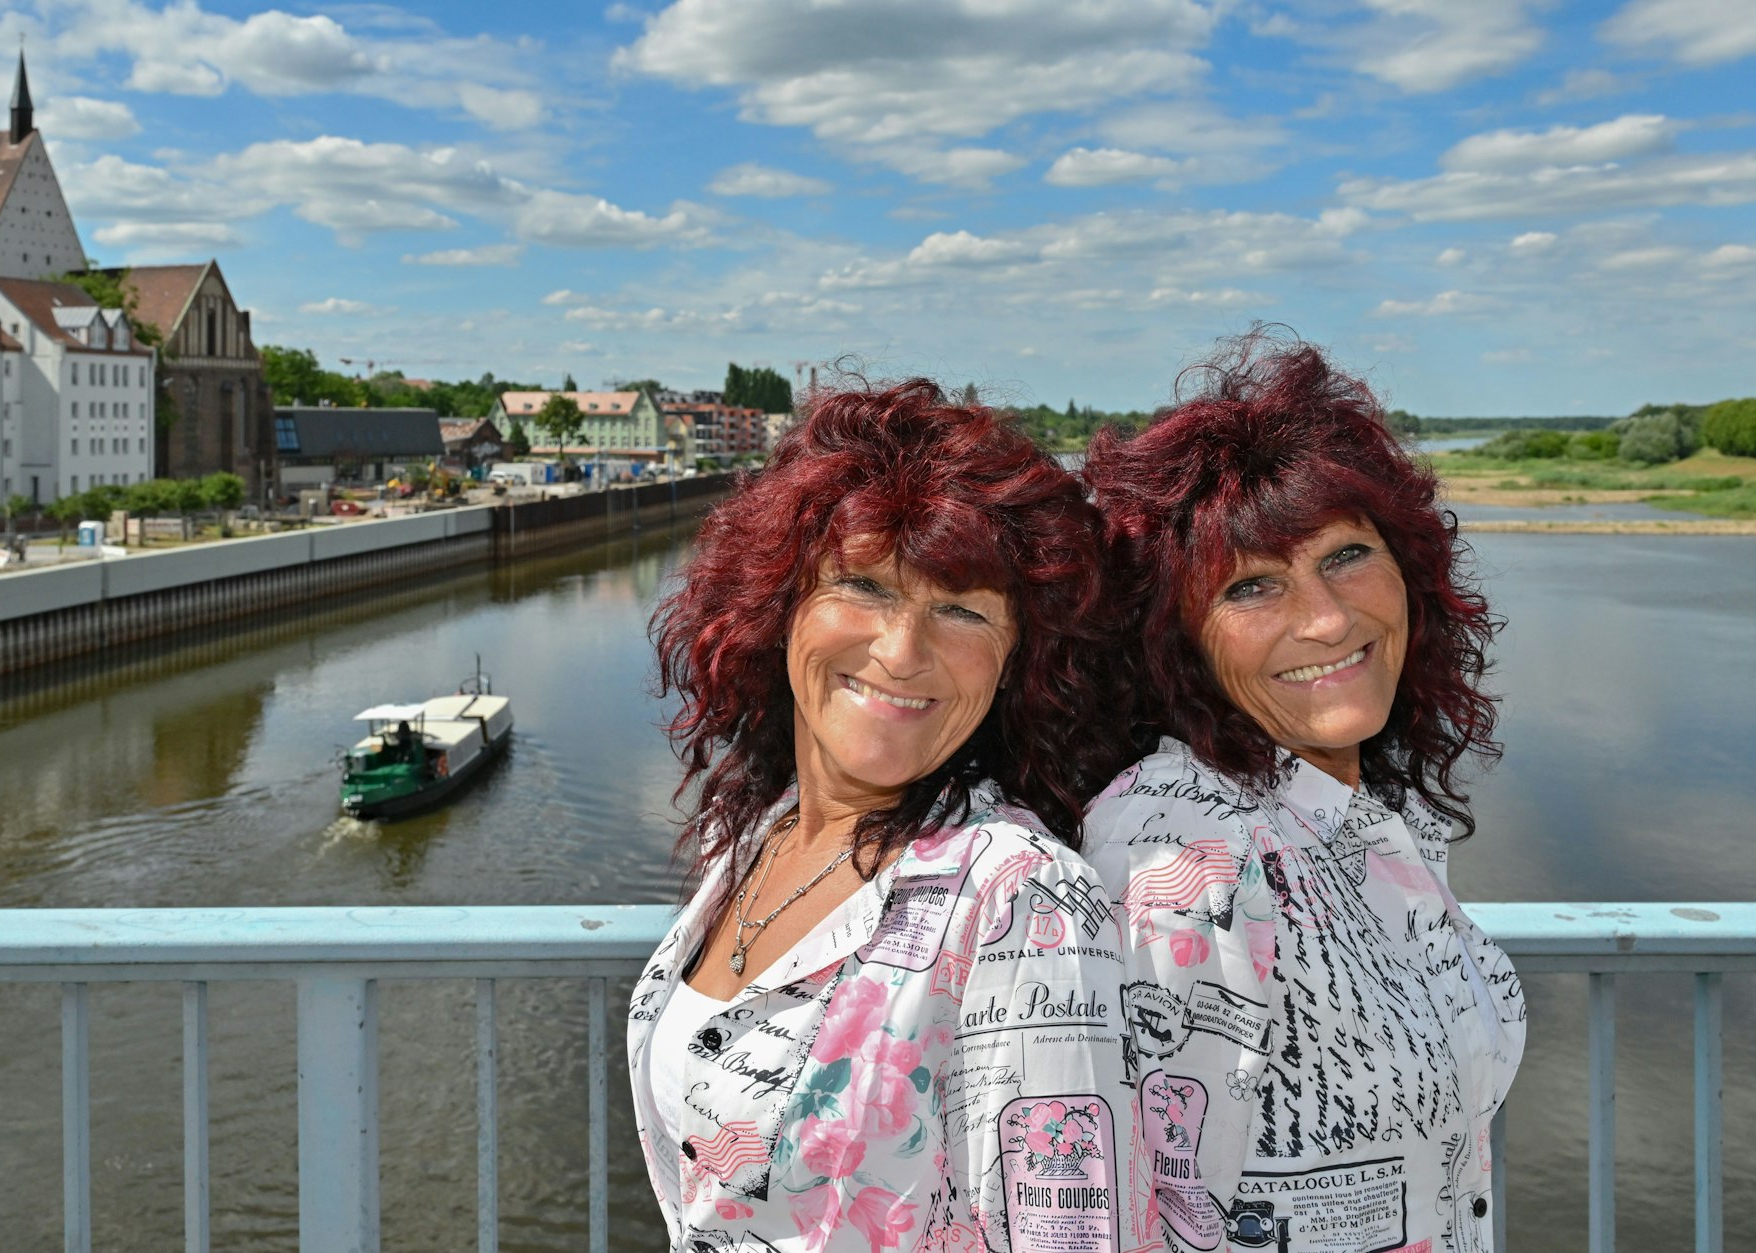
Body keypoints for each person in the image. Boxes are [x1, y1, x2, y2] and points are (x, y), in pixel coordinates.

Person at [630, 379, 1137, 1251]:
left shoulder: (1024, 901)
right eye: (863, 586)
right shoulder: (759, 832)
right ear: (781, 605)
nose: (902, 652)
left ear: (1019, 657)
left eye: (959, 608)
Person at [1082, 333, 1526, 1253]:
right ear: (1179, 639)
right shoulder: (1187, 848)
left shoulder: (1363, 821)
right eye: (1253, 585)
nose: (1326, 618)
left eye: (1346, 556)